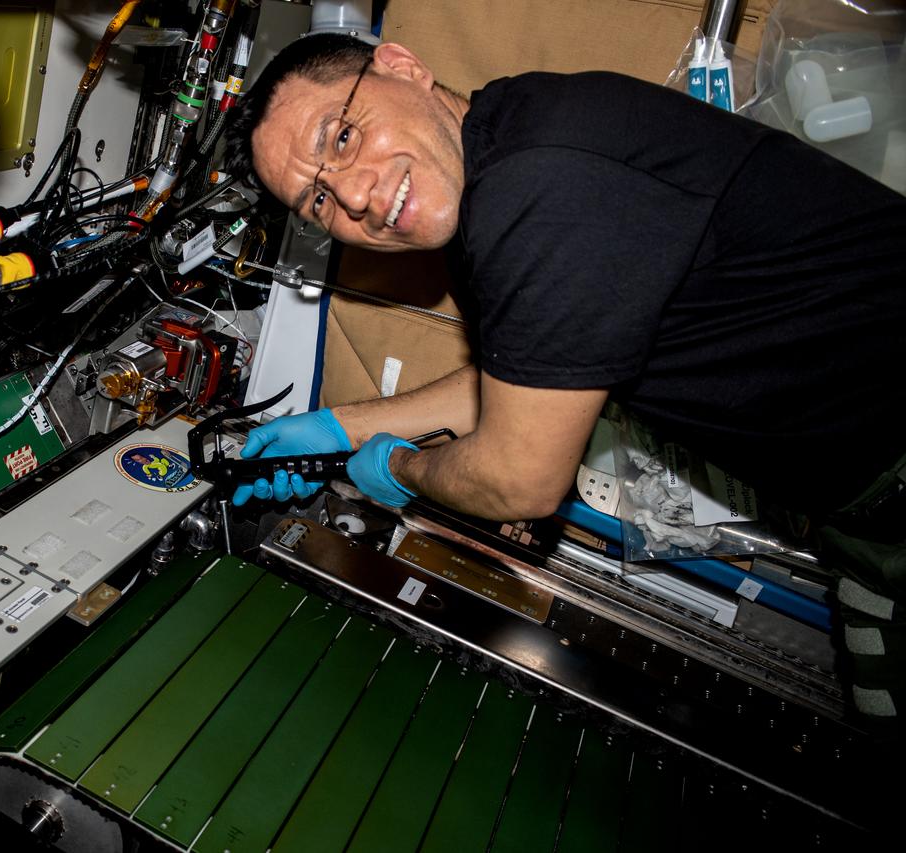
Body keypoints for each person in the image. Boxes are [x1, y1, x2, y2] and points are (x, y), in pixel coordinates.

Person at [222, 33, 906, 730]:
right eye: (318, 201)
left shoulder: (536, 186)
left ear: (403, 66)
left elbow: (519, 477)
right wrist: (344, 426)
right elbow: (531, 375)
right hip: (862, 513)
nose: (356, 195)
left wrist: (399, 468)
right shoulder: (496, 149)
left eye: (341, 136)